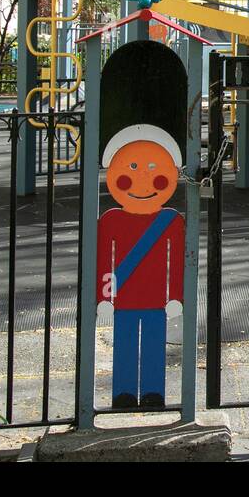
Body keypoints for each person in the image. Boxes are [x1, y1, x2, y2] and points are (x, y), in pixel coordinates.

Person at [94, 40, 188, 409]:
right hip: (126, 297)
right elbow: (106, 259)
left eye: (153, 169)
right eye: (132, 169)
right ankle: (121, 392)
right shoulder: (112, 220)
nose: (144, 181)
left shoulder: (171, 221)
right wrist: (105, 297)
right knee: (123, 340)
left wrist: (175, 296)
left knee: (152, 341)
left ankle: (151, 392)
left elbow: (177, 259)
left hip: (154, 299)